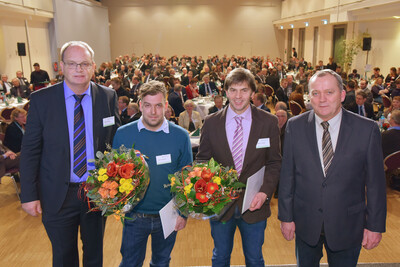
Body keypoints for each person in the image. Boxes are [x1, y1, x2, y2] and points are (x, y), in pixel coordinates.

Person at [20, 41, 120, 267]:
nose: (79, 69)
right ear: (61, 66)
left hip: (96, 193)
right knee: (64, 257)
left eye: (84, 64)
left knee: (94, 256)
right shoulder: (41, 100)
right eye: (72, 64)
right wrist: (28, 194)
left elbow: (114, 142)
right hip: (56, 194)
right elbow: (30, 151)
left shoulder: (107, 97)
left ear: (93, 66)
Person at [278, 69, 386, 266]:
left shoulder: (367, 130)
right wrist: (285, 217)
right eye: (316, 93)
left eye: (329, 92)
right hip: (306, 223)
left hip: (348, 225)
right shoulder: (295, 126)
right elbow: (287, 176)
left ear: (342, 95)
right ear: (309, 96)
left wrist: (375, 226)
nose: (322, 99)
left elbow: (376, 184)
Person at [196, 68, 281, 266]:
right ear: (226, 92)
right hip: (220, 204)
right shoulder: (211, 123)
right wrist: (211, 190)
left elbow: (274, 162)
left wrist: (265, 193)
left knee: (254, 259)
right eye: (233, 90)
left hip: (255, 205)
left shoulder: (269, 122)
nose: (238, 96)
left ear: (252, 92)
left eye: (244, 90)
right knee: (220, 257)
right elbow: (202, 161)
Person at [112, 80, 192, 267]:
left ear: (166, 105)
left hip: (168, 214)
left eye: (158, 105)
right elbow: (114, 175)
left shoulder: (180, 136)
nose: (153, 112)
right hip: (134, 216)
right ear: (140, 105)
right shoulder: (123, 134)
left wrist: (183, 213)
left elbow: (185, 176)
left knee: (162, 262)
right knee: (130, 262)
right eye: (147, 105)